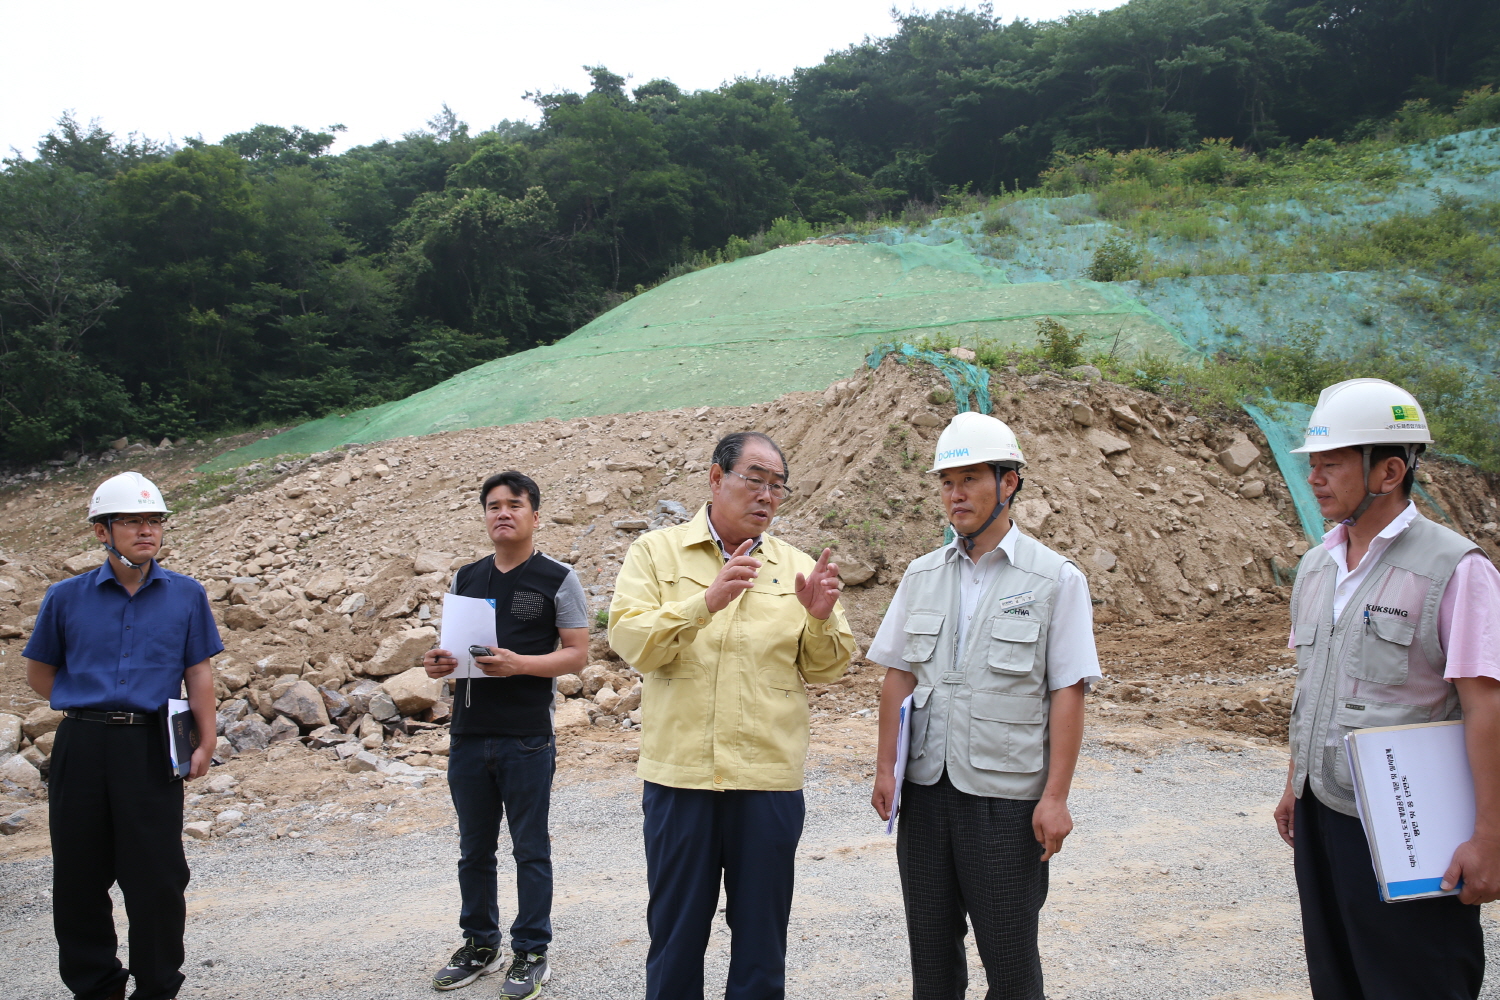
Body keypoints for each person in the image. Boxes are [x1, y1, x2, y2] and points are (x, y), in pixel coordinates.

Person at [1273, 378, 1500, 1000]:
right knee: (1338, 977)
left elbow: (1488, 706)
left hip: (1410, 826)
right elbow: (1313, 683)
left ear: (1389, 470)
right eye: (1313, 464)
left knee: (1414, 980)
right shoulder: (1318, 566)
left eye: (1332, 463)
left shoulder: (1457, 569)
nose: (1315, 477)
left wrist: (1490, 836)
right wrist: (1297, 783)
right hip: (1327, 813)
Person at [608, 431, 854, 1000]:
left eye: (777, 486)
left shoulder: (795, 566)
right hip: (681, 780)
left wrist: (819, 618)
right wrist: (705, 603)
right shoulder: (656, 552)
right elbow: (631, 640)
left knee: (762, 942)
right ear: (717, 479)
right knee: (675, 936)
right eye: (755, 479)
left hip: (766, 782)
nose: (767, 495)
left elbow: (828, 668)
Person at [866, 411, 1098, 1000]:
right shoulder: (920, 576)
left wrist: (1056, 797)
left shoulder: (1054, 579)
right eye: (947, 482)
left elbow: (1066, 690)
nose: (956, 494)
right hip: (926, 793)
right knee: (931, 955)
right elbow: (898, 674)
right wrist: (885, 767)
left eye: (970, 479)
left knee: (1010, 959)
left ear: (1009, 481)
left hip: (1005, 799)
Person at [21, 471, 221, 1000]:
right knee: (79, 876)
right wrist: (87, 699)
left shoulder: (186, 595)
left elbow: (198, 673)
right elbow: (39, 674)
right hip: (82, 746)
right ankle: (96, 987)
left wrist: (206, 740)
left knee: (157, 876)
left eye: (154, 520)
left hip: (150, 746)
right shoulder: (65, 597)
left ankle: (156, 988)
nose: (146, 530)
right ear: (101, 531)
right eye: (131, 521)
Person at [422, 470, 588, 998]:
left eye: (514, 504)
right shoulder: (465, 578)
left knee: (530, 849)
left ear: (535, 515)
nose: (503, 513)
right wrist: (437, 663)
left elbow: (578, 654)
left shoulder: (558, 578)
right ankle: (479, 943)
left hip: (526, 738)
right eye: (493, 505)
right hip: (469, 736)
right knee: (474, 850)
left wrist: (520, 666)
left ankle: (532, 949)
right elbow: (449, 654)